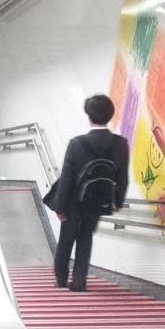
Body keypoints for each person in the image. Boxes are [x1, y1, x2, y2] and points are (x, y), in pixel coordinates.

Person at [49, 94, 129, 291]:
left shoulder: (77, 143)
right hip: (98, 201)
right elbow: (122, 176)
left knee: (66, 240)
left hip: (73, 202)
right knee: (85, 238)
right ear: (110, 115)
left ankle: (60, 280)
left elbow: (67, 178)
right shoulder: (120, 144)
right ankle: (79, 282)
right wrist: (117, 202)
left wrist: (60, 207)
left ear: (89, 115)